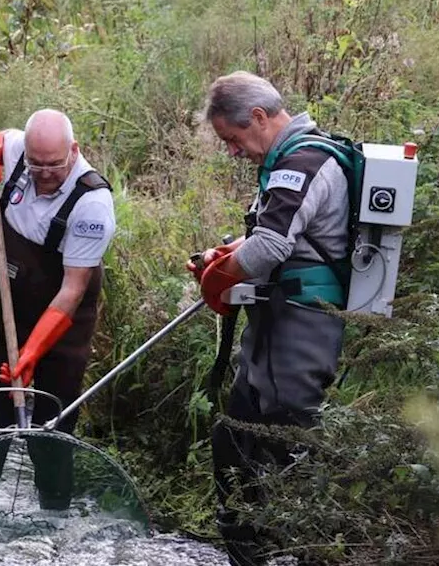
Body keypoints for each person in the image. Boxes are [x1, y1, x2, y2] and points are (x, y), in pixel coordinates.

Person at [188, 71, 351, 566]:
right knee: (234, 439)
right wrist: (221, 255)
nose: (234, 152)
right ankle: (246, 550)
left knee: (286, 446)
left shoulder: (304, 161)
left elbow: (273, 245)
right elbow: (271, 234)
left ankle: (296, 550)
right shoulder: (288, 160)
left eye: (234, 140)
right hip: (273, 320)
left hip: (302, 324)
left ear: (259, 117)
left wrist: (217, 280)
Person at [0, 109, 117, 510]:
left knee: (53, 424)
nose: (44, 172)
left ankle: (54, 515)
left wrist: (30, 354)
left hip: (63, 331)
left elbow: (71, 290)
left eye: (54, 164)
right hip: (4, 318)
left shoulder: (92, 204)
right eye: (35, 163)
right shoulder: (19, 152)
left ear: (74, 150)